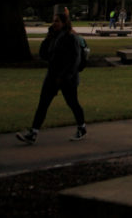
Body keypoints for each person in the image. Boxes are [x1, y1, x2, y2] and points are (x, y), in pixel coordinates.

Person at [16, 11, 87, 144]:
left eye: (57, 21)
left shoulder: (71, 38)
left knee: (72, 103)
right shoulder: (54, 37)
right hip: (52, 76)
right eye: (53, 21)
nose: (54, 24)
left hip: (67, 78)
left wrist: (65, 76)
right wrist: (48, 38)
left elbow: (74, 60)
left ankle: (81, 127)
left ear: (64, 23)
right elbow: (43, 54)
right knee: (43, 104)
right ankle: (33, 132)